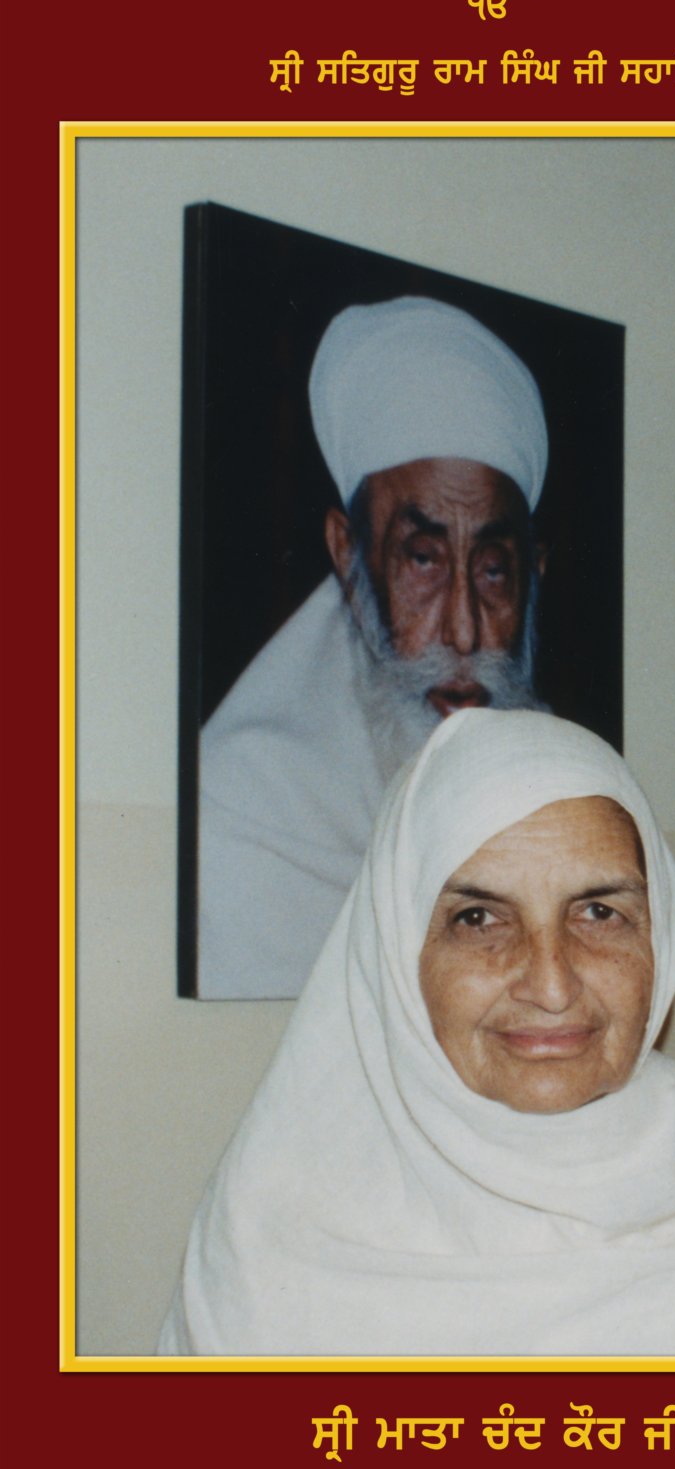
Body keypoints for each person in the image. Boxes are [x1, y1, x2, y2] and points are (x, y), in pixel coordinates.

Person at [161, 709, 675, 1358]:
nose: (551, 984)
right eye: (478, 918)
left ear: (661, 936)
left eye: (599, 912)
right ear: (396, 955)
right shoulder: (272, 1241)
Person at [197, 297, 550, 999]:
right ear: (347, 557)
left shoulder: (555, 785)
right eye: (422, 560)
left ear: (533, 577)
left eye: (492, 570)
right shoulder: (247, 800)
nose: (464, 632)